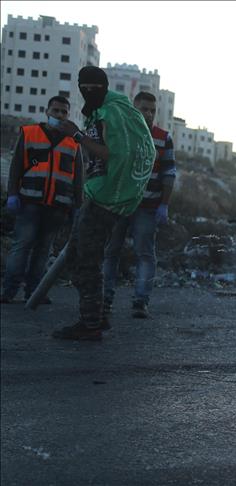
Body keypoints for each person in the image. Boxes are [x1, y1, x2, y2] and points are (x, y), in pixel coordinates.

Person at [50, 66, 156, 341]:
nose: (88, 92)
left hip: (106, 198)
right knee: (77, 257)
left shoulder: (112, 113)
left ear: (102, 88)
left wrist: (77, 136)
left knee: (87, 261)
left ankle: (90, 324)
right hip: (103, 194)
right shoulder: (111, 110)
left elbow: (113, 154)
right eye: (84, 88)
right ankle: (96, 315)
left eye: (92, 88)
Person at [1, 96, 83, 304]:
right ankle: (9, 291)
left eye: (64, 112)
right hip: (29, 202)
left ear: (68, 115)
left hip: (58, 206)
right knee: (21, 246)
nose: (59, 115)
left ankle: (34, 292)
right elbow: (16, 166)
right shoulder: (30, 133)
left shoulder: (74, 141)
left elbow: (78, 177)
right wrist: (12, 194)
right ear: (47, 112)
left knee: (43, 251)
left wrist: (78, 205)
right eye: (56, 111)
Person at [102, 91, 177, 319]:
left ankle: (141, 301)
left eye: (153, 110)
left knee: (144, 253)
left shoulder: (163, 138)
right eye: (144, 109)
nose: (149, 114)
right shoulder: (121, 132)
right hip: (119, 204)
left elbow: (169, 173)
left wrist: (164, 205)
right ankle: (104, 299)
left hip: (147, 207)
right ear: (133, 109)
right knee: (110, 251)